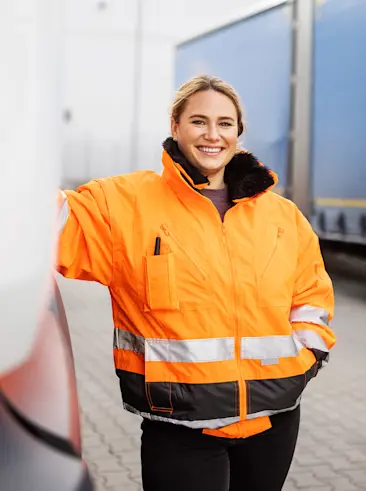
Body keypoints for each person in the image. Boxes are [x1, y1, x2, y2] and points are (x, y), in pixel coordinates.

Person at [57, 75, 336, 491]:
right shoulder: (124, 204)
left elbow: (312, 296)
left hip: (273, 419)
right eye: (198, 121)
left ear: (238, 132)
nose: (212, 134)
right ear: (175, 126)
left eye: (225, 123)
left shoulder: (282, 217)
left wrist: (303, 361)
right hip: (180, 427)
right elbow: (39, 223)